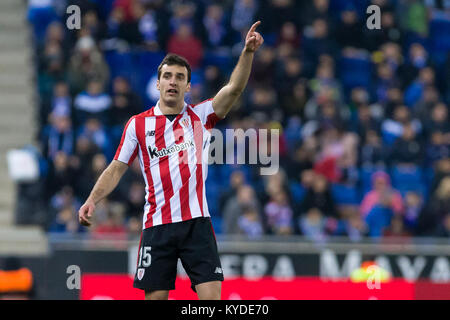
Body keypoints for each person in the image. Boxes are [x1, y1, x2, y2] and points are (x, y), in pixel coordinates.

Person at [78, 21, 264, 300]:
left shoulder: (201, 116)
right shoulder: (138, 125)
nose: (173, 81)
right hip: (157, 227)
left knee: (212, 300)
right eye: (167, 76)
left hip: (196, 224)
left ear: (188, 86)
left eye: (179, 77)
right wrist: (92, 199)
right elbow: (116, 167)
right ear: (158, 83)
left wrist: (247, 52)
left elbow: (234, 89)